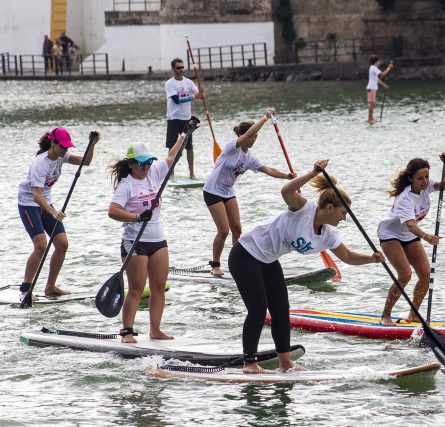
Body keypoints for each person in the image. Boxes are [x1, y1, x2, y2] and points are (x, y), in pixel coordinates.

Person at [229, 159, 385, 373]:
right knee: (257, 309)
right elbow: (286, 191)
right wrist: (312, 173)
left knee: (281, 311)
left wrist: (372, 258)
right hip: (245, 253)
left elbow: (347, 256)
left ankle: (286, 364)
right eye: (343, 213)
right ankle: (249, 363)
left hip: (268, 260)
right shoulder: (304, 209)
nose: (345, 218)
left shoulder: (329, 234)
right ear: (330, 207)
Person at [107, 136, 189, 343]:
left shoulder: (154, 173)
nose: (146, 166)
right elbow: (113, 211)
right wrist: (136, 217)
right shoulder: (126, 185)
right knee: (136, 288)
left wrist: (183, 136)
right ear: (131, 164)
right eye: (142, 163)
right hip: (134, 242)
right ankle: (127, 331)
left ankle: (155, 330)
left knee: (159, 287)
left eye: (149, 162)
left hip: (158, 240)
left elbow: (171, 157)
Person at [203, 107, 292, 277]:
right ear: (244, 136)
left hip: (228, 192)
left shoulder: (249, 157)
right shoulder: (232, 148)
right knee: (224, 231)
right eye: (252, 136)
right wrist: (266, 117)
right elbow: (248, 134)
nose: (254, 140)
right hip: (212, 190)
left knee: (237, 229)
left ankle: (238, 264)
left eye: (256, 137)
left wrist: (287, 176)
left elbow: (268, 169)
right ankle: (215, 265)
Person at [18, 128, 99, 301]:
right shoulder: (40, 163)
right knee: (40, 246)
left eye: (67, 148)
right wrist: (52, 211)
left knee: (62, 244)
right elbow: (36, 195)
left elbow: (86, 161)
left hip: (45, 204)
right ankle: (25, 290)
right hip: (29, 204)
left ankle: (50, 287)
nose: (65, 151)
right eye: (62, 147)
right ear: (53, 143)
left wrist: (92, 144)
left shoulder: (62, 156)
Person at [377, 155, 445, 326]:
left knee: (426, 274)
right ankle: (385, 315)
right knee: (405, 274)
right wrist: (427, 237)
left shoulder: (426, 186)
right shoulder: (404, 198)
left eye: (427, 176)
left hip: (408, 234)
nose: (425, 181)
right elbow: (411, 225)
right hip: (390, 233)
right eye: (420, 178)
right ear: (411, 178)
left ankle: (413, 314)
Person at [165, 58, 203, 179]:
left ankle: (192, 173)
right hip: (173, 118)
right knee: (172, 147)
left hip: (186, 119)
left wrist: (202, 93)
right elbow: (176, 100)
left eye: (182, 67)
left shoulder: (189, 82)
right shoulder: (169, 83)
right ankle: (171, 174)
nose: (181, 70)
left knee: (189, 147)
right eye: (178, 68)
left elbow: (199, 94)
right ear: (173, 69)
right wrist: (194, 96)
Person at [366, 55, 393, 125]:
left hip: (372, 88)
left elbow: (377, 79)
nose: (379, 62)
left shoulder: (372, 68)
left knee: (372, 103)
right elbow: (383, 74)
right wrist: (389, 68)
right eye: (378, 61)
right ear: (376, 61)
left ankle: (371, 118)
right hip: (371, 88)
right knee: (371, 104)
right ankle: (370, 119)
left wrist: (384, 85)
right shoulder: (374, 68)